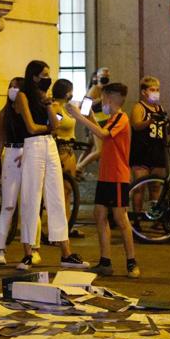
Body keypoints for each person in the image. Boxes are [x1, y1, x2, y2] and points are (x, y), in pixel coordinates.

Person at [14, 60, 89, 270]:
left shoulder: (45, 99)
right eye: (44, 74)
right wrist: (45, 127)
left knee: (56, 197)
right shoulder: (23, 96)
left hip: (50, 145)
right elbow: (30, 127)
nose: (48, 77)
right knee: (31, 197)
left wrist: (48, 107)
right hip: (33, 145)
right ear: (34, 76)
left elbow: (55, 126)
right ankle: (28, 251)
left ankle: (66, 251)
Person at [67, 83, 141, 278]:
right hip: (106, 175)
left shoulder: (122, 119)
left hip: (117, 176)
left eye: (104, 98)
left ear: (111, 97)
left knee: (120, 217)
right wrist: (88, 114)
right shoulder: (113, 118)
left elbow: (103, 134)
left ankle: (131, 261)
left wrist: (79, 117)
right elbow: (101, 132)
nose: (102, 102)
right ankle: (105, 261)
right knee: (99, 215)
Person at [0, 77, 40, 265]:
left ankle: (33, 247)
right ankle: (0, 249)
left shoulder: (31, 112)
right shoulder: (5, 114)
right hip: (11, 154)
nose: (12, 90)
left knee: (31, 203)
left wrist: (28, 151)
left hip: (29, 152)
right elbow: (1, 140)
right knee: (8, 204)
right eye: (10, 86)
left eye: (16, 87)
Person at [130, 77, 169, 214]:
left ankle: (155, 216)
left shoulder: (159, 108)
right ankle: (137, 217)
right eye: (152, 90)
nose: (155, 93)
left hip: (157, 151)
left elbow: (165, 130)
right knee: (139, 187)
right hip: (142, 150)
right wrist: (149, 121)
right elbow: (136, 125)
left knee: (156, 187)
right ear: (144, 92)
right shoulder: (139, 107)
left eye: (157, 90)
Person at [51, 79, 84, 238]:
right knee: (61, 191)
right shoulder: (56, 109)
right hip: (60, 151)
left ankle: (67, 224)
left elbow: (84, 116)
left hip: (69, 152)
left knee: (68, 191)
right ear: (66, 92)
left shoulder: (66, 108)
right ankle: (59, 227)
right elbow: (53, 126)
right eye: (71, 91)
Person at [77, 67, 111, 173]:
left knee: (89, 148)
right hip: (95, 123)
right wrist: (100, 100)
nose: (105, 77)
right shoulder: (94, 89)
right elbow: (84, 109)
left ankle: (78, 168)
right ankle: (79, 167)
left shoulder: (106, 90)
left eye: (107, 75)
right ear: (97, 77)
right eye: (103, 76)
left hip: (104, 122)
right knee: (99, 151)